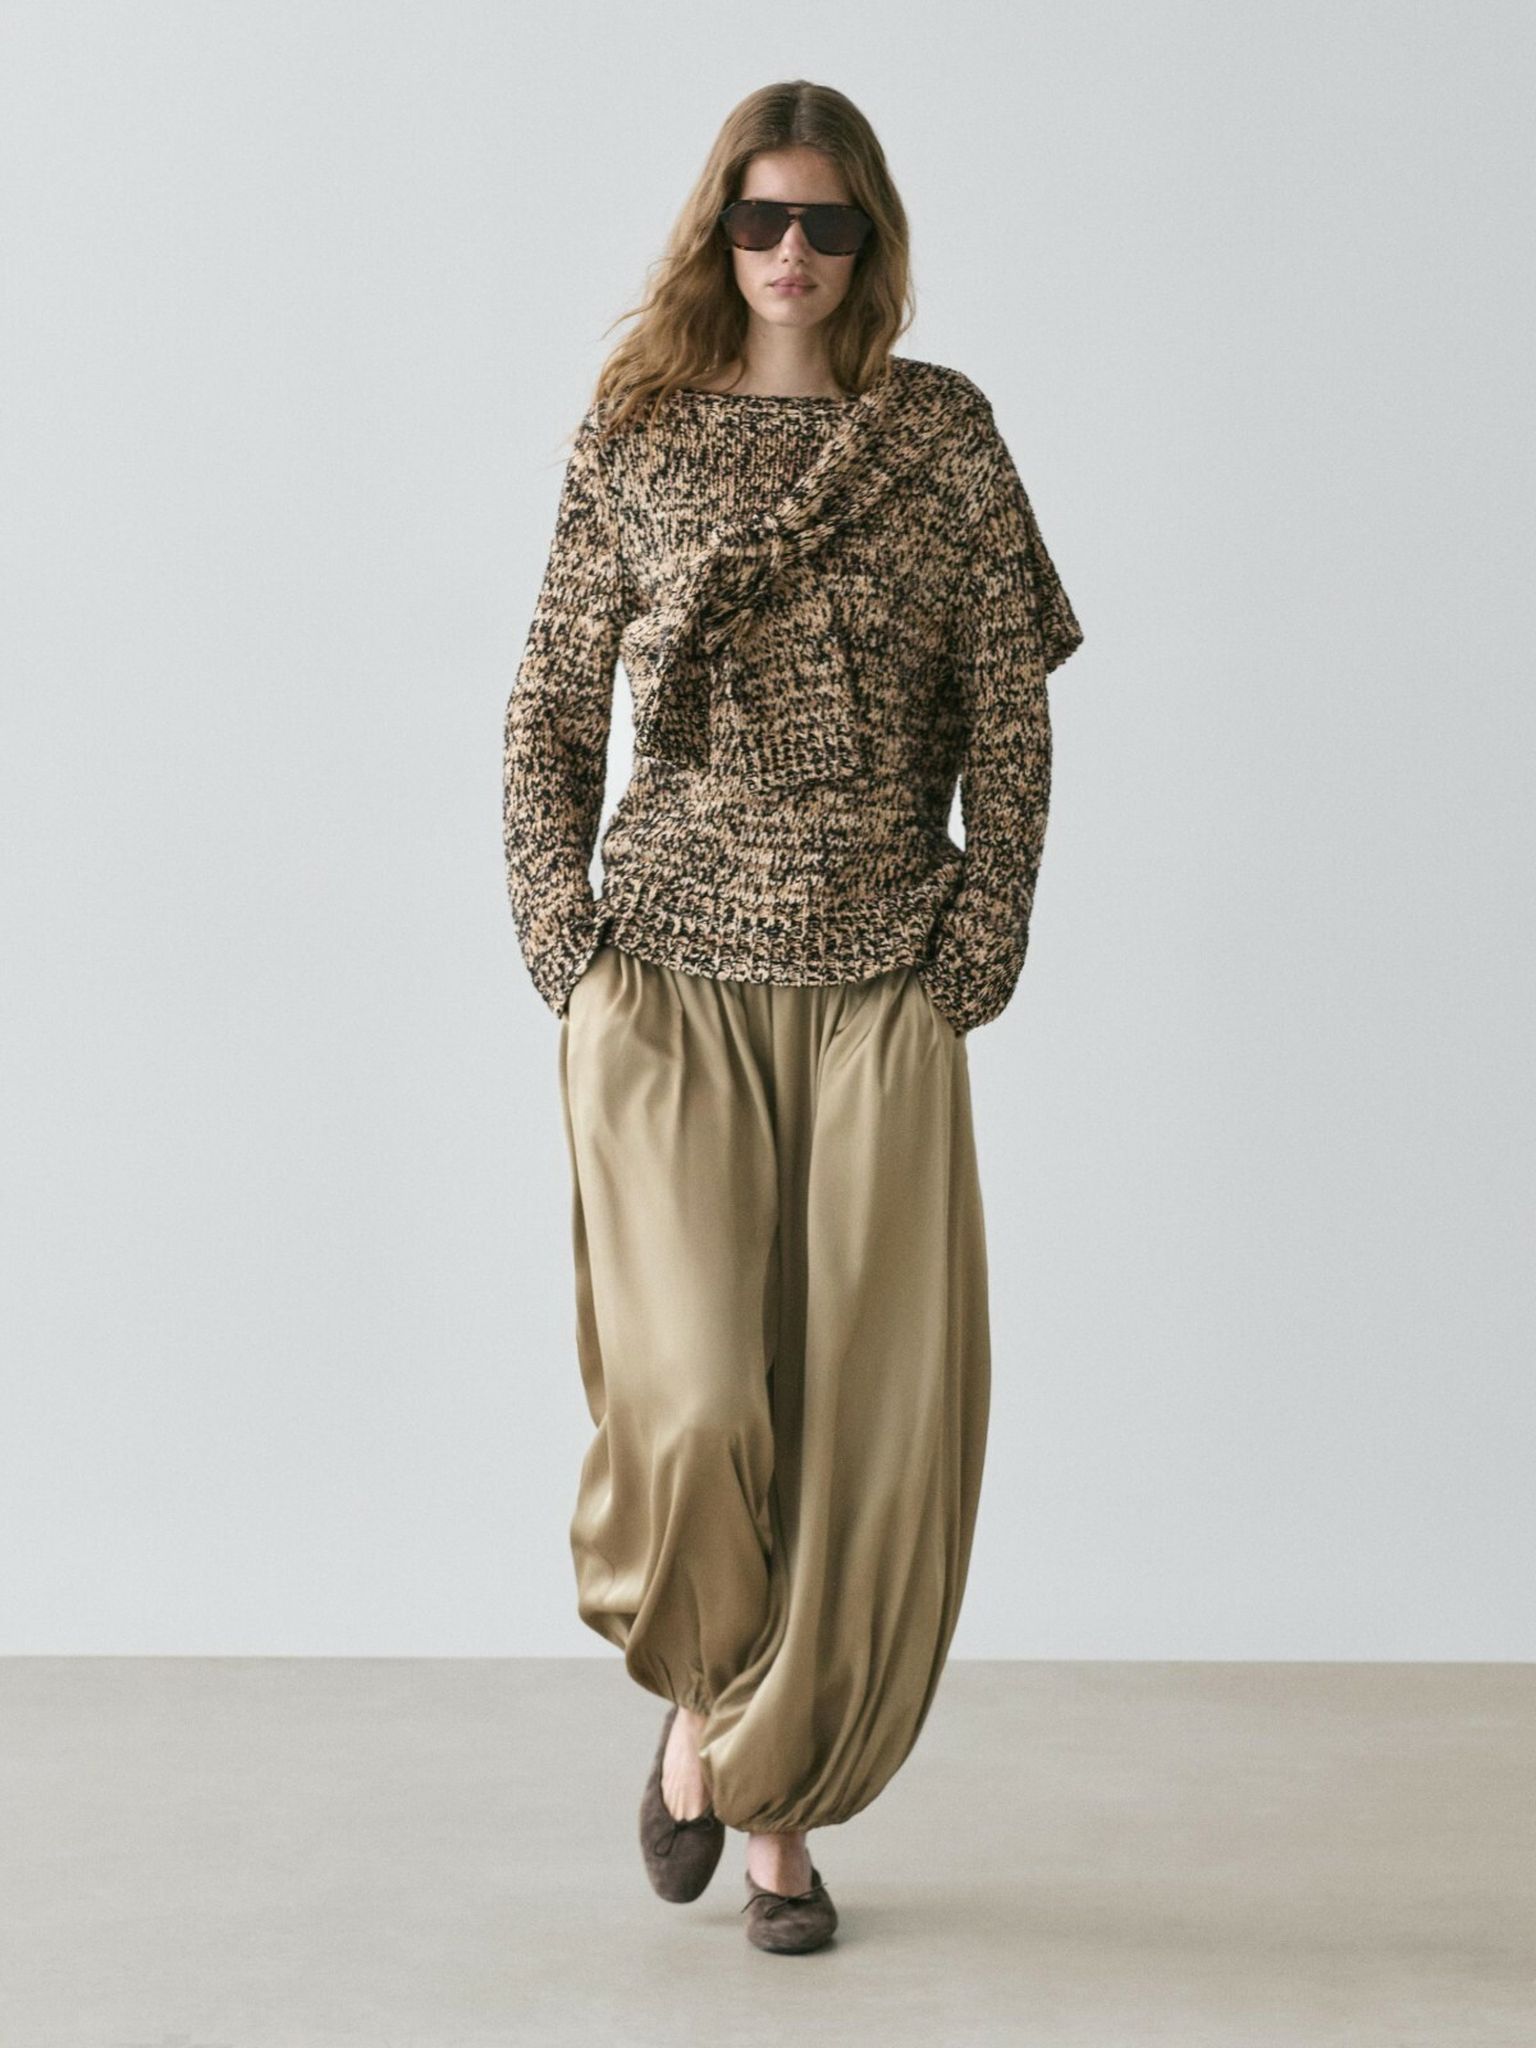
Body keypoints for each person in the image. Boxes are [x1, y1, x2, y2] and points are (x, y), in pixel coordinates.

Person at [502, 78, 1084, 1956]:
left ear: (869, 240)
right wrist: (563, 942)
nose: (790, 252)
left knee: (859, 1427)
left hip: (878, 982)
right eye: (760, 216)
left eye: (826, 221)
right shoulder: (638, 433)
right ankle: (710, 1710)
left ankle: (768, 1817)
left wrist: (981, 935)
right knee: (690, 1406)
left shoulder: (944, 435)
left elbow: (1012, 707)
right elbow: (548, 703)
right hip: (667, 975)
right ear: (717, 230)